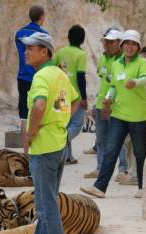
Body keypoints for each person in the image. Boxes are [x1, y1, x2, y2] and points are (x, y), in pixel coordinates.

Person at [18, 32, 79, 234]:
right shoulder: (59, 74)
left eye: (31, 48)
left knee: (45, 202)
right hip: (59, 141)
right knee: (47, 198)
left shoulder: (42, 76)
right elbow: (74, 100)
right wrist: (60, 119)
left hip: (43, 145)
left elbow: (40, 105)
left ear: (44, 51)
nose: (26, 52)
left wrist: (31, 133)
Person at [81, 29, 146, 199]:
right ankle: (100, 187)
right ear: (122, 45)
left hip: (139, 116)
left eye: (133, 44)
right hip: (119, 114)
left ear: (138, 46)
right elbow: (113, 86)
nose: (129, 47)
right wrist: (108, 99)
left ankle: (143, 187)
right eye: (126, 43)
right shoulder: (116, 64)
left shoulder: (143, 63)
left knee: (140, 152)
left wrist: (136, 82)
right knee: (111, 150)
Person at [83, 28, 129, 180]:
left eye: (110, 42)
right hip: (100, 104)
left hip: (116, 106)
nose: (107, 45)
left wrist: (110, 104)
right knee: (100, 139)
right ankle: (100, 168)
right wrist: (97, 105)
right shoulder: (103, 58)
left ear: (119, 43)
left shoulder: (124, 61)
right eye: (106, 42)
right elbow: (103, 81)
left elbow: (118, 85)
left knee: (118, 139)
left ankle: (123, 170)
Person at [53, 24, 88, 165]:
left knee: (64, 124)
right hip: (74, 96)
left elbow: (53, 69)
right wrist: (84, 98)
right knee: (77, 125)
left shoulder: (60, 52)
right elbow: (80, 77)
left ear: (68, 37)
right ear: (82, 40)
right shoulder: (81, 55)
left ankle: (68, 157)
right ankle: (60, 140)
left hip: (60, 93)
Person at [14, 5, 48, 142]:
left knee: (24, 115)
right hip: (38, 77)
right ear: (42, 17)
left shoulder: (19, 33)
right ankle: (36, 146)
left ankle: (25, 151)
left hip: (22, 76)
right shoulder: (43, 35)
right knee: (39, 111)